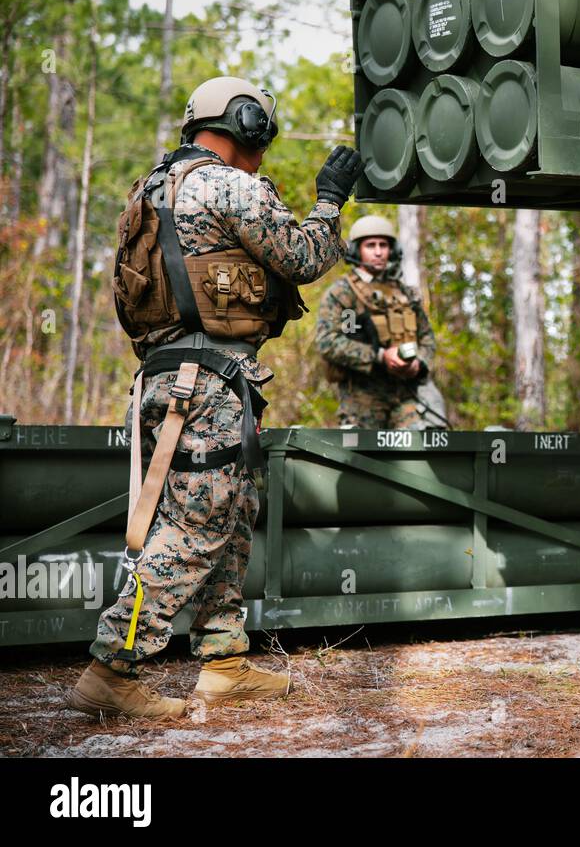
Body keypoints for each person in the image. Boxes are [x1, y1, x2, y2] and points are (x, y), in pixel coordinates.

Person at [67, 75, 363, 719]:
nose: (265, 151)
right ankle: (111, 667)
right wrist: (331, 201)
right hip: (205, 386)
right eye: (263, 135)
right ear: (247, 124)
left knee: (228, 518)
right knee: (196, 526)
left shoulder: (152, 187)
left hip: (168, 380)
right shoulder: (227, 184)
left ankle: (224, 662)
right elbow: (304, 256)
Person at [315, 215, 448, 429]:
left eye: (383, 245)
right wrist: (380, 356)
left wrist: (417, 364)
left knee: (422, 448)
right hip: (361, 398)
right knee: (363, 459)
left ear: (392, 250)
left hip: (406, 394)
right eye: (371, 245)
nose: (378, 252)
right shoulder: (343, 293)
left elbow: (427, 339)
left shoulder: (405, 294)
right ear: (357, 250)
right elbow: (327, 341)